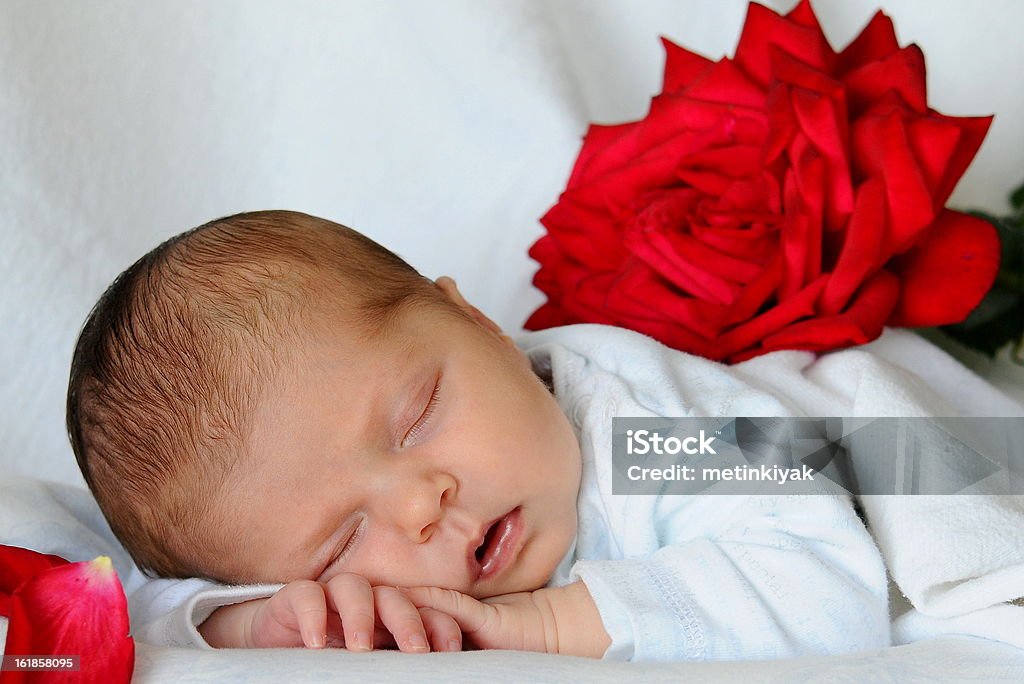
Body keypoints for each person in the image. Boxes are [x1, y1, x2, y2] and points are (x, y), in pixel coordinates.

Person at [66, 210, 890, 660]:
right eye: (341, 543)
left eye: (417, 415)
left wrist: (551, 624)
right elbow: (149, 611)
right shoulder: (285, 570)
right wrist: (266, 623)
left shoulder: (648, 431)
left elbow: (829, 590)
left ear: (481, 324)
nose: (422, 505)